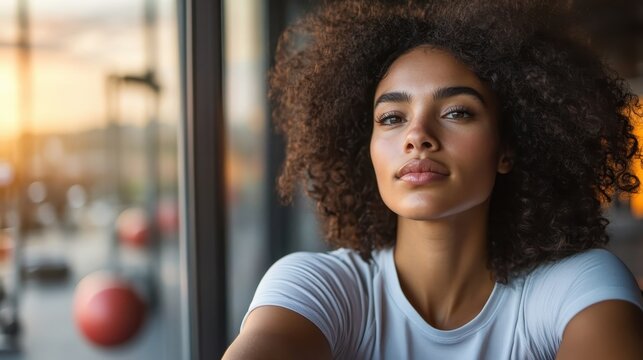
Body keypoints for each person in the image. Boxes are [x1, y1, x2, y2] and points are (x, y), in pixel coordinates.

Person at [223, 0, 643, 358]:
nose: (417, 136)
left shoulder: (578, 285)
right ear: (365, 147)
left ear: (506, 149)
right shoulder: (317, 287)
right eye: (391, 118)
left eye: (456, 112)